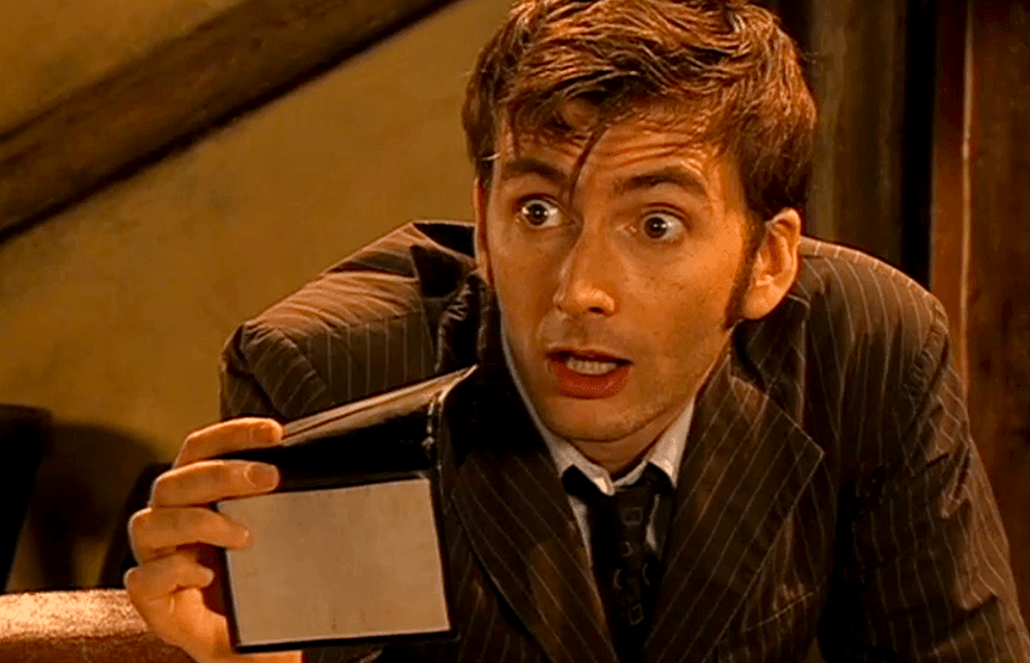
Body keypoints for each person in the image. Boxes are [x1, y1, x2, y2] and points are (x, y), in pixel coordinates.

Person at [124, 1, 1030, 661]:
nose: (581, 290)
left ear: (767, 261)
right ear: (483, 226)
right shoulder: (331, 378)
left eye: (657, 225)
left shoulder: (864, 346)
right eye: (539, 211)